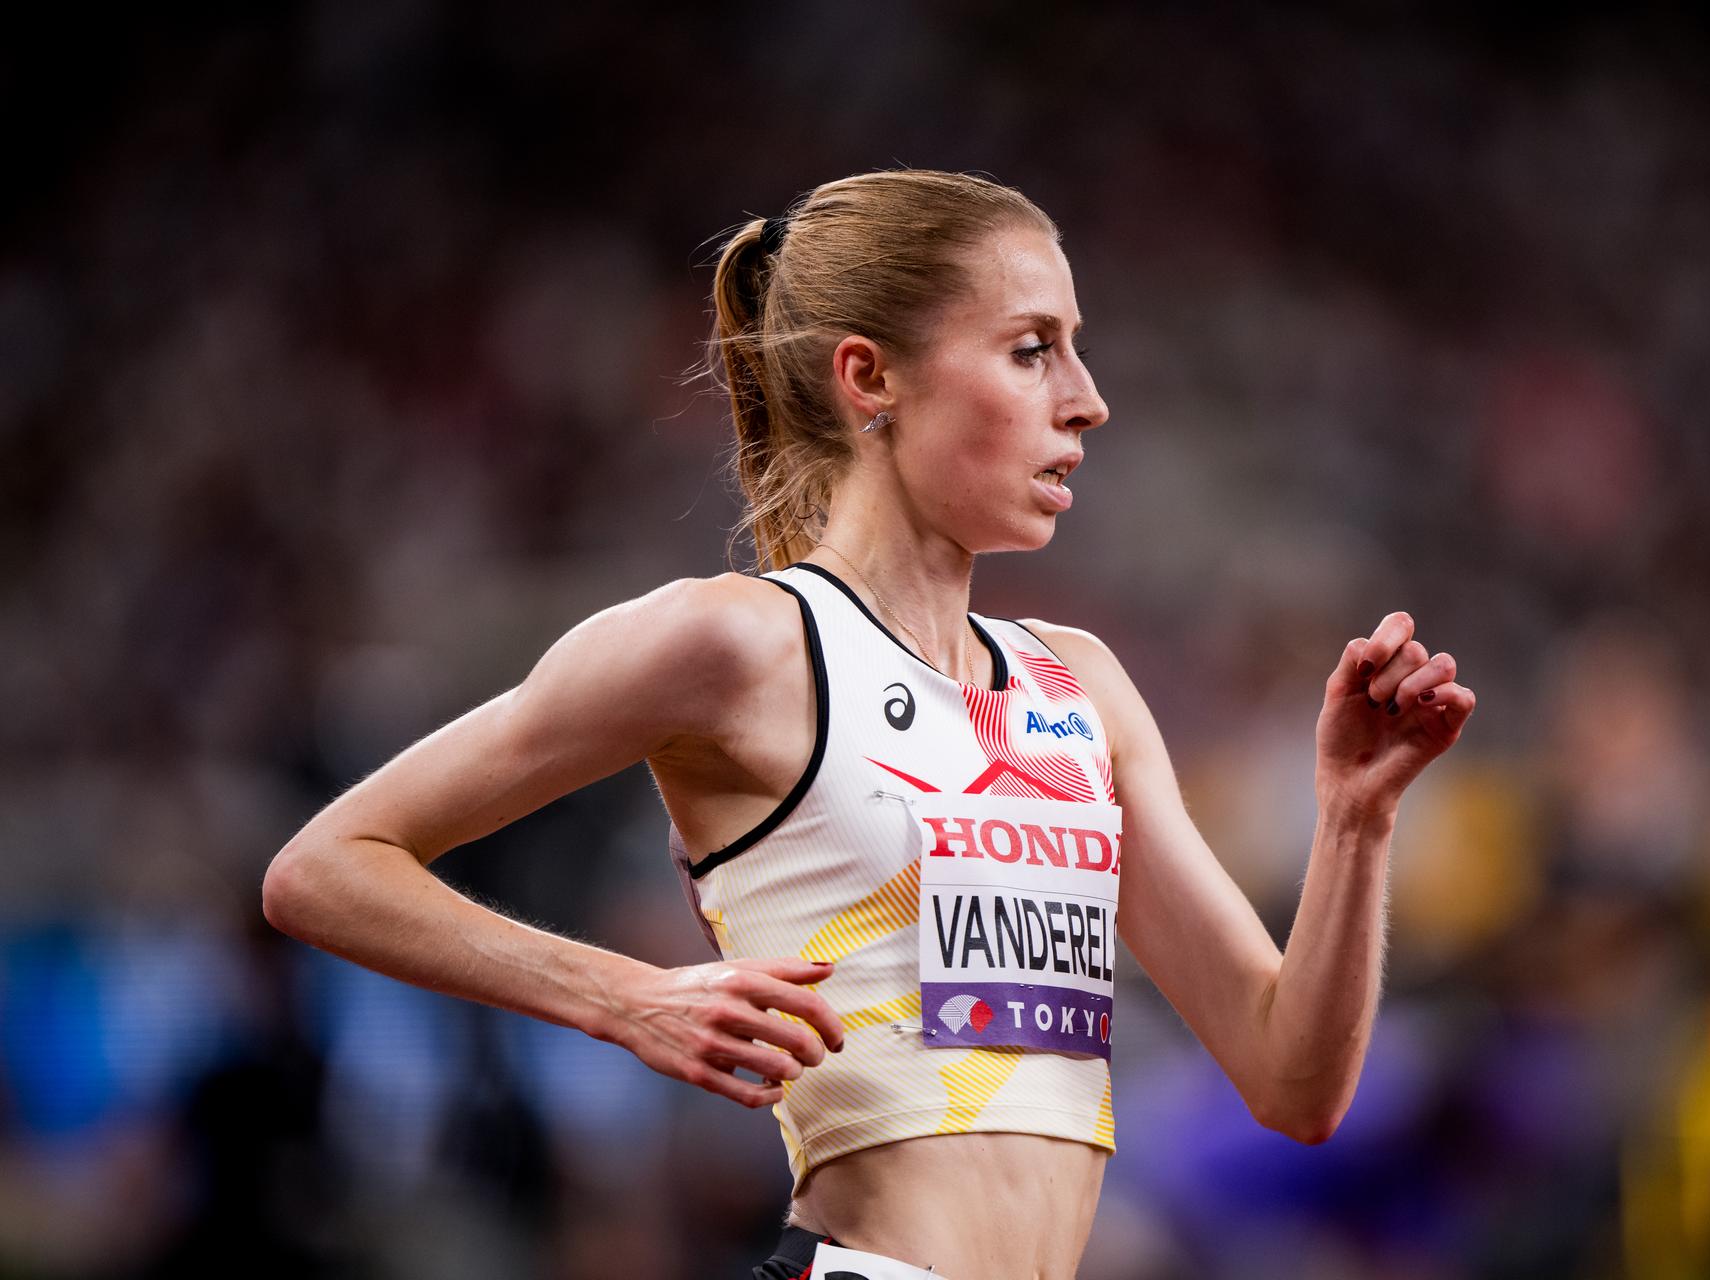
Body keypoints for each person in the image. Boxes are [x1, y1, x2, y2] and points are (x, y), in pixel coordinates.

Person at [260, 167, 1476, 1279]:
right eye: (1031, 349)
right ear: (869, 377)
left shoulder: (1080, 687)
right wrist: (627, 996)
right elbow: (325, 868)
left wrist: (1353, 821)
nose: (1089, 401)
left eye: (1078, 350)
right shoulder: (737, 644)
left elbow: (1293, 1078)